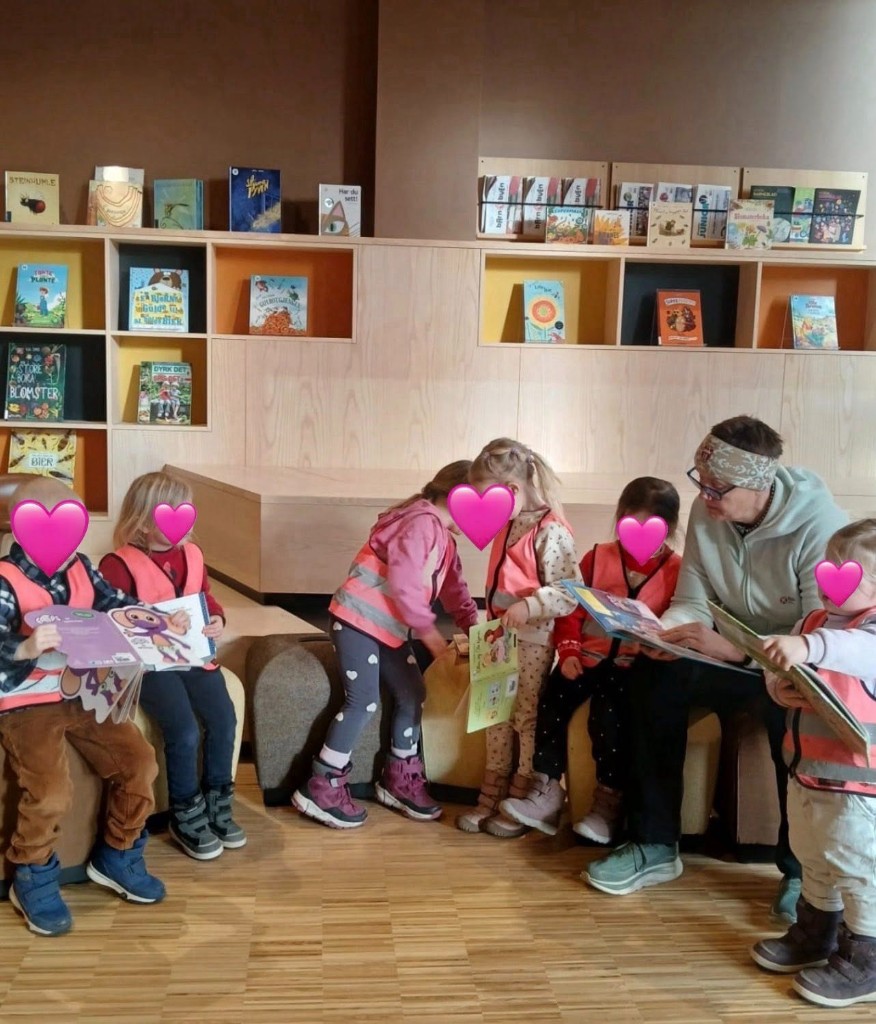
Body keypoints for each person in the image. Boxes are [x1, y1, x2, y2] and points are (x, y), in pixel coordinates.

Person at [583, 415, 847, 925]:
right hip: (724, 651)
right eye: (700, 482)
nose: (704, 498)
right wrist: (666, 634)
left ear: (758, 485)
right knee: (650, 677)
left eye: (717, 489)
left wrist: (740, 652)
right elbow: (692, 601)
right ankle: (655, 844)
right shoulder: (711, 513)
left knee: (792, 711)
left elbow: (818, 631)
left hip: (789, 663)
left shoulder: (819, 528)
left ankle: (802, 874)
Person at [0, 477, 168, 936]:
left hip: (84, 692)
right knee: (51, 790)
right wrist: (24, 647)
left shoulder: (82, 568)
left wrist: (160, 623)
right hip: (25, 703)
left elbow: (118, 604)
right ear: (20, 528)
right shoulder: (5, 580)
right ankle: (31, 871)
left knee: (140, 762)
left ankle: (118, 852)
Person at [292, 461, 479, 829]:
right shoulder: (421, 523)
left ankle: (399, 778)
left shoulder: (444, 539)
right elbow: (405, 584)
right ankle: (322, 784)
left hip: (387, 629)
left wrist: (474, 626)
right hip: (357, 621)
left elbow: (455, 590)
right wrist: (430, 635)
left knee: (413, 692)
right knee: (363, 701)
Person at [501, 477, 682, 842]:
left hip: (633, 668)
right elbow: (572, 609)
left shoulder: (677, 570)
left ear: (670, 527)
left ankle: (608, 803)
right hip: (586, 658)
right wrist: (568, 651)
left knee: (608, 717)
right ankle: (546, 788)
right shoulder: (597, 557)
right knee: (551, 702)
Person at [750, 520, 876, 1009]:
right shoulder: (813, 622)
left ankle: (866, 958)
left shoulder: (861, 634)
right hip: (806, 772)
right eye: (828, 566)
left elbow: (854, 652)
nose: (830, 579)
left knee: (858, 867)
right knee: (813, 857)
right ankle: (816, 932)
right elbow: (779, 668)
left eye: (849, 573)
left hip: (857, 787)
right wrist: (779, 686)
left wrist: (808, 647)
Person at [100, 471, 244, 861]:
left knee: (224, 719)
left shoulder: (193, 554)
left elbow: (205, 597)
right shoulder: (118, 564)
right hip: (149, 666)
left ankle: (218, 800)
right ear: (143, 520)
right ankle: (185, 811)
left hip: (194, 656)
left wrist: (217, 619)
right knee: (183, 730)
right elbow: (110, 620)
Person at [456, 438, 581, 837]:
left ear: (511, 489)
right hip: (497, 635)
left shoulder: (551, 529)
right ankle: (491, 795)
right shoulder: (509, 522)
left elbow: (570, 591)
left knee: (525, 717)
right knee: (494, 715)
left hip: (532, 639)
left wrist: (530, 606)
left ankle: (521, 798)